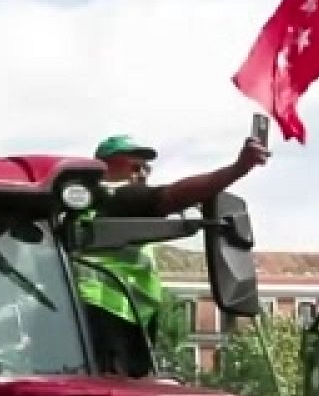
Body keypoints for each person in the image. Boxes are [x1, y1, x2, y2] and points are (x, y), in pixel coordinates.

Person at [78, 134, 269, 377]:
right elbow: (174, 195)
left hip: (120, 316)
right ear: (103, 169)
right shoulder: (118, 200)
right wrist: (238, 168)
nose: (144, 173)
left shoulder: (84, 208)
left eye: (147, 167)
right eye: (135, 166)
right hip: (108, 315)